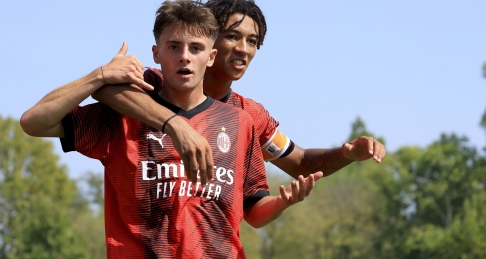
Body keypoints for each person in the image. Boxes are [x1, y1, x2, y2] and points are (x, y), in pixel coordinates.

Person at [20, 0, 318, 259]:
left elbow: (253, 207)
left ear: (211, 56)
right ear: (156, 54)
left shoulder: (240, 122)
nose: (184, 57)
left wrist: (282, 203)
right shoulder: (123, 118)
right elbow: (33, 122)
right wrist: (99, 75)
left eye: (196, 48)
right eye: (174, 47)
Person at [91, 0, 387, 189]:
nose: (244, 49)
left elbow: (301, 163)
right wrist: (173, 122)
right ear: (208, 39)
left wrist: (346, 154)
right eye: (233, 36)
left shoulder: (249, 115)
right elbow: (106, 87)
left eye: (253, 41)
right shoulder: (156, 83)